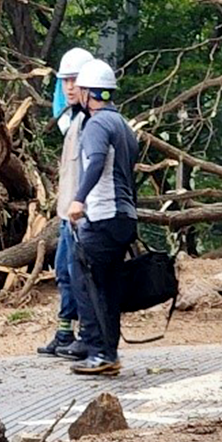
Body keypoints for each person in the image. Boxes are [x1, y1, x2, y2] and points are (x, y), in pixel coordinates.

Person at [67, 59, 139, 377]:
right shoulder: (123, 125)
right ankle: (109, 353)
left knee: (87, 282)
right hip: (124, 217)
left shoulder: (96, 125)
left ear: (89, 93)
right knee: (108, 286)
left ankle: (98, 351)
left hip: (103, 217)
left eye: (80, 88)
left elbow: (95, 161)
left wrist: (78, 199)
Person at [37, 47, 101, 359]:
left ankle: (90, 336)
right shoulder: (74, 122)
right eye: (65, 81)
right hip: (68, 214)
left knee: (80, 275)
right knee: (64, 272)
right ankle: (65, 331)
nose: (70, 87)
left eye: (75, 80)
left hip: (85, 216)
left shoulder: (94, 125)